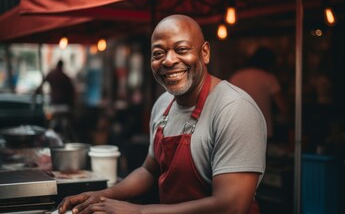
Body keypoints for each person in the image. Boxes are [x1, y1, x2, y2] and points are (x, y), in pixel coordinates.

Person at [57, 14, 266, 214]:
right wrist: (102, 196)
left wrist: (139, 211)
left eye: (181, 49)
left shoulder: (234, 109)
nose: (168, 61)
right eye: (158, 53)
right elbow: (150, 169)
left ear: (205, 53)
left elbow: (231, 207)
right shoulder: (163, 103)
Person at [229, 47, 288, 138]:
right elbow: (283, 107)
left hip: (237, 130)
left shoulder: (236, 76)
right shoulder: (268, 77)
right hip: (261, 130)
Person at [34, 59, 76, 141]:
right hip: (64, 105)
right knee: (63, 125)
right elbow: (72, 92)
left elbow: (41, 85)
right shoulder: (65, 76)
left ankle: (53, 138)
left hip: (55, 105)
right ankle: (64, 138)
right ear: (62, 66)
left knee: (54, 124)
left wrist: (35, 94)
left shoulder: (52, 74)